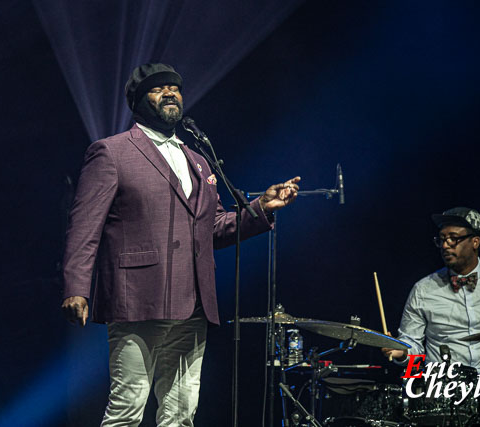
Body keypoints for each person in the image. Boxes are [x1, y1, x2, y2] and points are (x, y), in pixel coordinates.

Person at [60, 63, 300, 426]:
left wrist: (260, 208)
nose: (170, 93)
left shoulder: (198, 159)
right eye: (159, 89)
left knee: (181, 412)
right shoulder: (111, 153)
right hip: (138, 297)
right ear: (139, 101)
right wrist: (76, 287)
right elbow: (84, 225)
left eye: (175, 87)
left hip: (194, 303)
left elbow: (216, 227)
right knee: (128, 408)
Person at [382, 207, 480, 374]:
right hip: (443, 389)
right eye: (441, 239)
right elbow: (412, 344)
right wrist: (403, 352)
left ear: (475, 242)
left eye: (453, 239)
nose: (445, 245)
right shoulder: (423, 289)